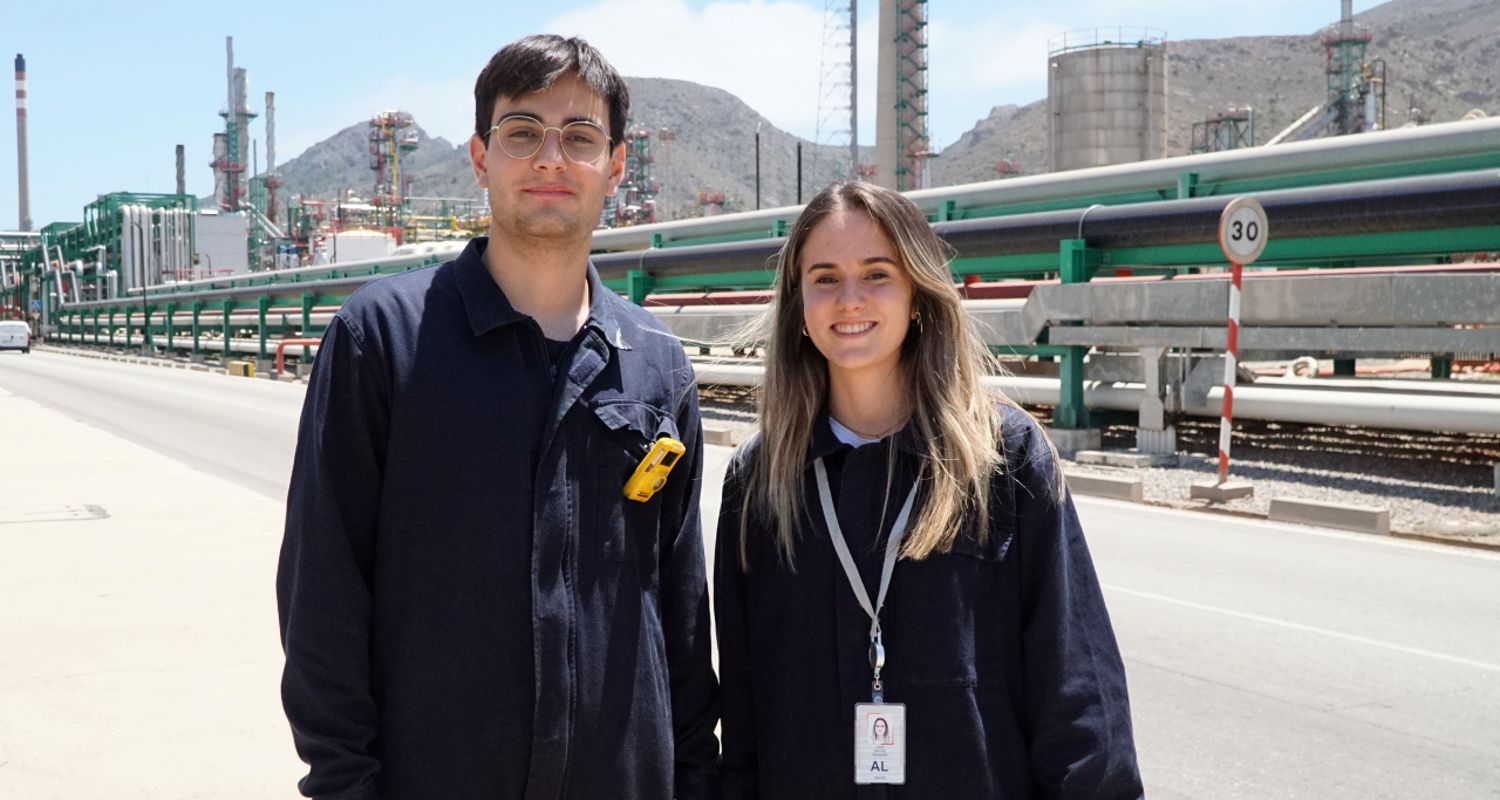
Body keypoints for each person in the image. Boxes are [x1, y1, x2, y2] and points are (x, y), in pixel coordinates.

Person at [277, 35, 718, 800]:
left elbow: (679, 615)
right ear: (481, 158)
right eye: (522, 133)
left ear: (615, 167)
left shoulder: (656, 363)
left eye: (580, 137)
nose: (551, 158)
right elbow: (323, 598)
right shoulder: (383, 340)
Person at [714, 181, 1142, 798]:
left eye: (878, 274)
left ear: (918, 293)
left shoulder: (1004, 459)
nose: (850, 299)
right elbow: (746, 720)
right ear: (798, 306)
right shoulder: (758, 484)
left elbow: (1078, 692)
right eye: (825, 278)